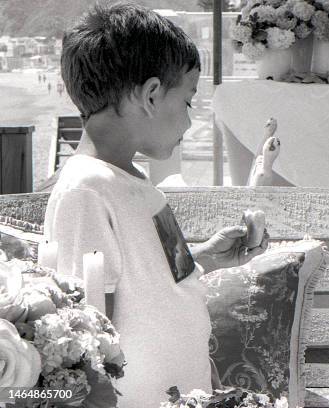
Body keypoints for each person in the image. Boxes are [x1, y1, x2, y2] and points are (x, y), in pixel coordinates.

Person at [43, 4, 268, 406]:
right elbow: (88, 334)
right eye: (187, 101)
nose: (190, 119)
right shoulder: (86, 191)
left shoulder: (132, 182)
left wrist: (204, 259)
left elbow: (151, 281)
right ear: (150, 95)